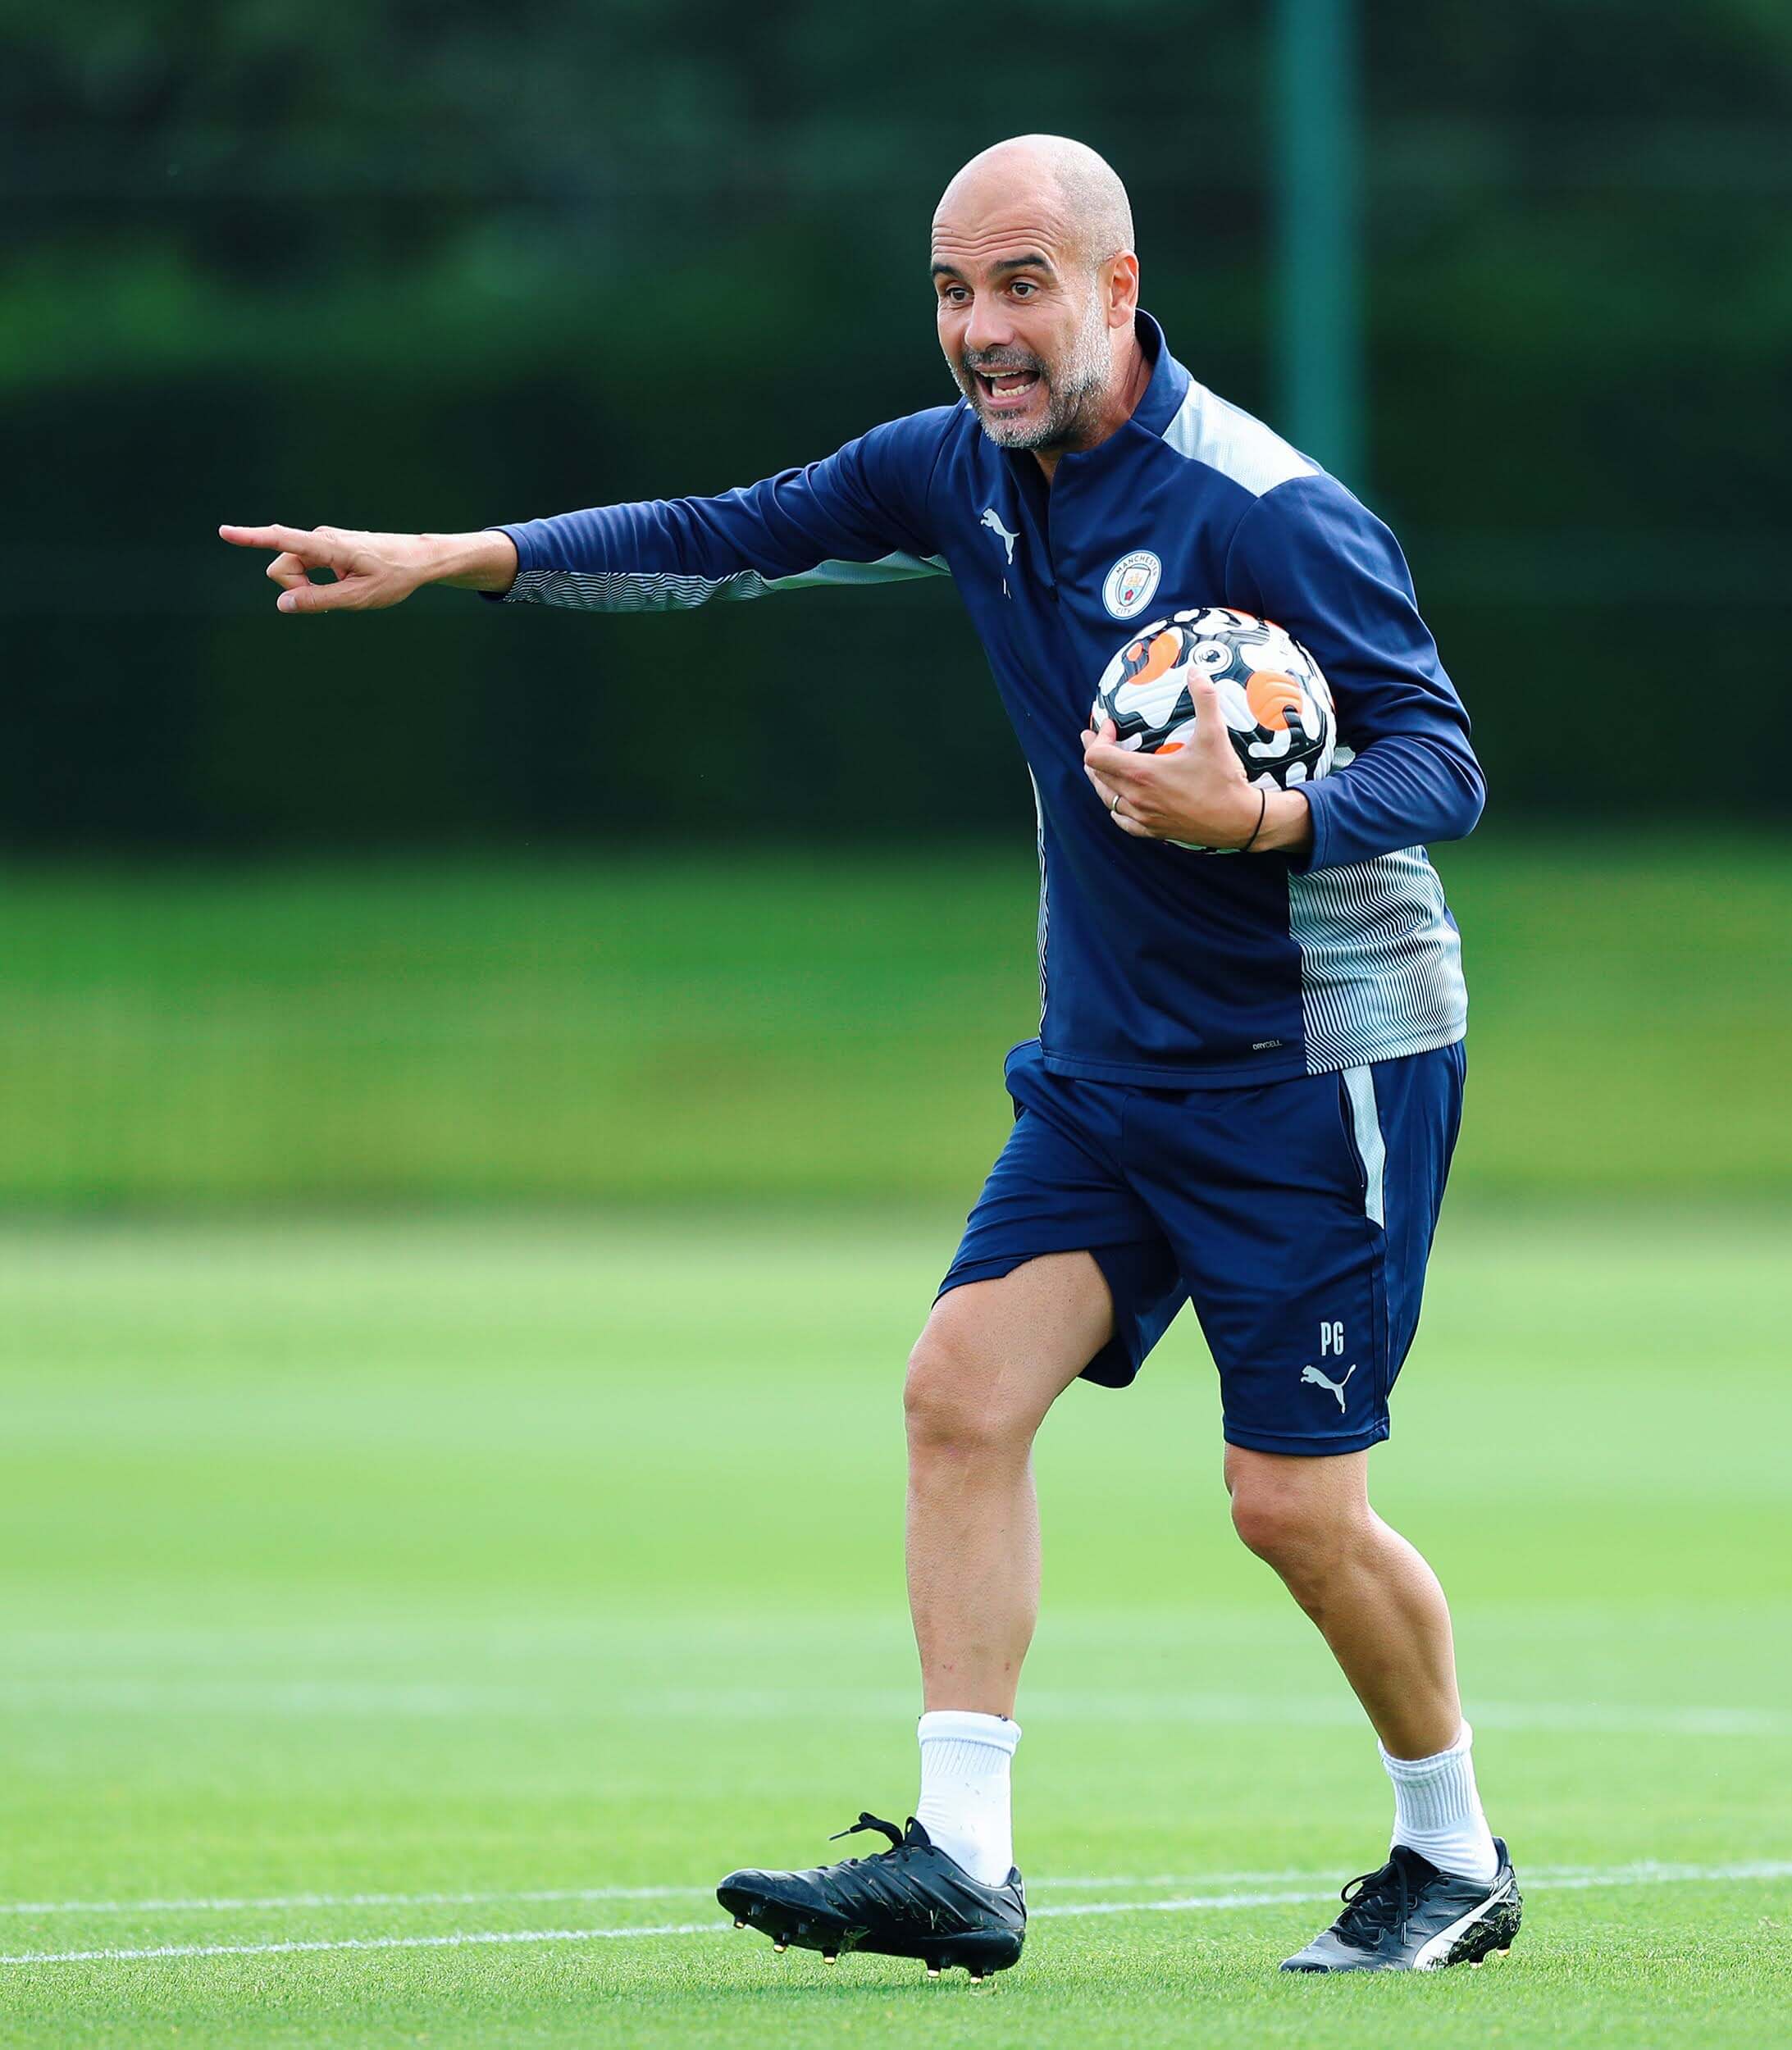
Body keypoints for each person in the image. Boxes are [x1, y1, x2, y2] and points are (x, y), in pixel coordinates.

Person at [219, 133, 1519, 1981]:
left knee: (1289, 1508)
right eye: (950, 291)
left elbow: (1440, 763)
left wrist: (1255, 818)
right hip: (1110, 1063)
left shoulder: (1268, 513)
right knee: (958, 1393)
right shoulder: (956, 472)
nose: (979, 330)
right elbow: (722, 535)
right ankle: (964, 1861)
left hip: (1318, 1064)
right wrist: (455, 558)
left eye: (1019, 287)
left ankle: (1451, 1854)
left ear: (1117, 291)